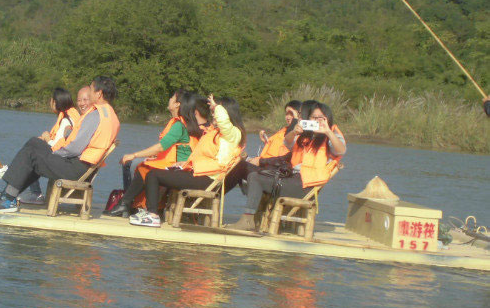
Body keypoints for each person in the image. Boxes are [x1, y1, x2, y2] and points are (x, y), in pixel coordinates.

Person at [0, 77, 120, 213]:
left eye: (91, 89)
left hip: (76, 169)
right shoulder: (110, 115)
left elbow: (75, 148)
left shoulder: (95, 115)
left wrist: (55, 153)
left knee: (32, 153)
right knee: (35, 143)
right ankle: (8, 194)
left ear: (99, 93)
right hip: (82, 167)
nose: (89, 92)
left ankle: (8, 199)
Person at [227, 100, 346, 232]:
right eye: (314, 117)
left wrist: (328, 132)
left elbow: (341, 150)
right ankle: (248, 218)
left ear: (328, 118)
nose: (317, 120)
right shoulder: (307, 135)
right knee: (253, 175)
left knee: (256, 178)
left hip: (305, 186)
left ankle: (248, 220)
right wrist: (294, 132)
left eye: (321, 118)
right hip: (292, 178)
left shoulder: (332, 135)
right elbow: (288, 143)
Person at [129, 95, 245, 228]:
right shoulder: (217, 133)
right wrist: (185, 163)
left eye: (215, 111)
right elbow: (202, 156)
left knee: (153, 175)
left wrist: (216, 106)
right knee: (157, 172)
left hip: (208, 180)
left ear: (226, 113)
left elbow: (224, 123)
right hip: (201, 175)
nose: (213, 114)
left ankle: (152, 215)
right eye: (213, 111)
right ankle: (149, 211)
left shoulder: (233, 134)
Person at [107, 90, 201, 217]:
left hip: (181, 167)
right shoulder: (181, 122)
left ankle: (129, 205)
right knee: (143, 166)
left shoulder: (179, 125)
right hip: (178, 165)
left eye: (172, 98)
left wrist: (134, 155)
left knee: (144, 168)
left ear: (177, 104)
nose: (169, 99)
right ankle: (128, 204)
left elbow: (161, 147)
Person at [0, 88, 81, 205]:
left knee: (32, 149)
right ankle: (17, 187)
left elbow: (59, 147)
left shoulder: (67, 122)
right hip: (63, 159)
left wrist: (47, 139)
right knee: (34, 145)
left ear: (55, 102)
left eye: (51, 100)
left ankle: (19, 184)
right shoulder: (69, 117)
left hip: (62, 161)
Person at [223, 99, 301, 193]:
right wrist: (267, 143)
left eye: (291, 114)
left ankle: (217, 193)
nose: (287, 117)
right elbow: (275, 152)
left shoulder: (296, 135)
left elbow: (284, 158)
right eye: (286, 114)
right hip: (266, 167)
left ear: (299, 115)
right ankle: (217, 192)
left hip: (275, 173)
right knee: (234, 162)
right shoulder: (284, 130)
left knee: (240, 166)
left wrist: (260, 161)